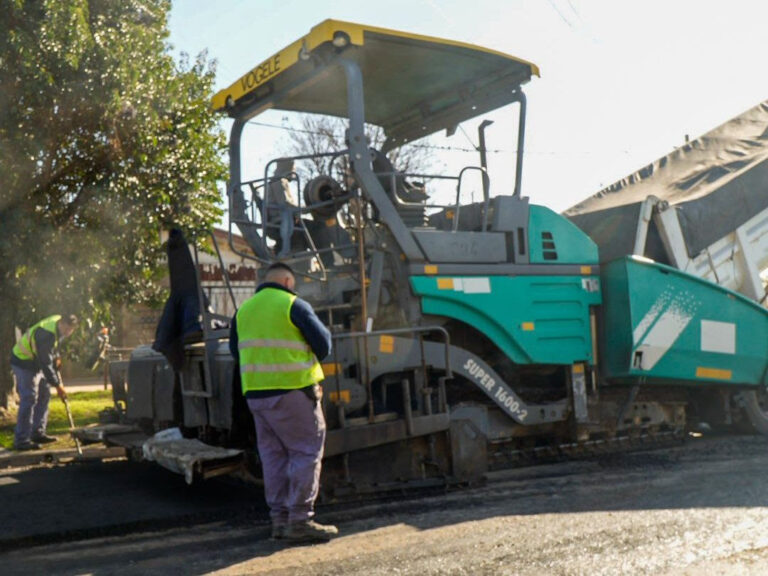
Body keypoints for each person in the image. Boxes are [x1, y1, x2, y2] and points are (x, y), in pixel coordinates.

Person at [229, 262, 338, 543]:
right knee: (305, 452)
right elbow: (324, 345)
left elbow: (235, 351)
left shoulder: (244, 311)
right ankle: (300, 520)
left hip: (256, 396)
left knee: (273, 457)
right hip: (292, 393)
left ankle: (279, 520)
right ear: (288, 281)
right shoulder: (294, 305)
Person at [10, 314, 78, 451]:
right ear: (62, 324)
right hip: (24, 361)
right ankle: (21, 440)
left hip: (37, 361)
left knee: (44, 394)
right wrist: (58, 386)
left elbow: (53, 348)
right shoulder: (46, 334)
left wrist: (57, 356)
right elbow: (46, 364)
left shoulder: (57, 323)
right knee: (29, 398)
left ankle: (37, 433)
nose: (69, 333)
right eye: (68, 329)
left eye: (71, 330)